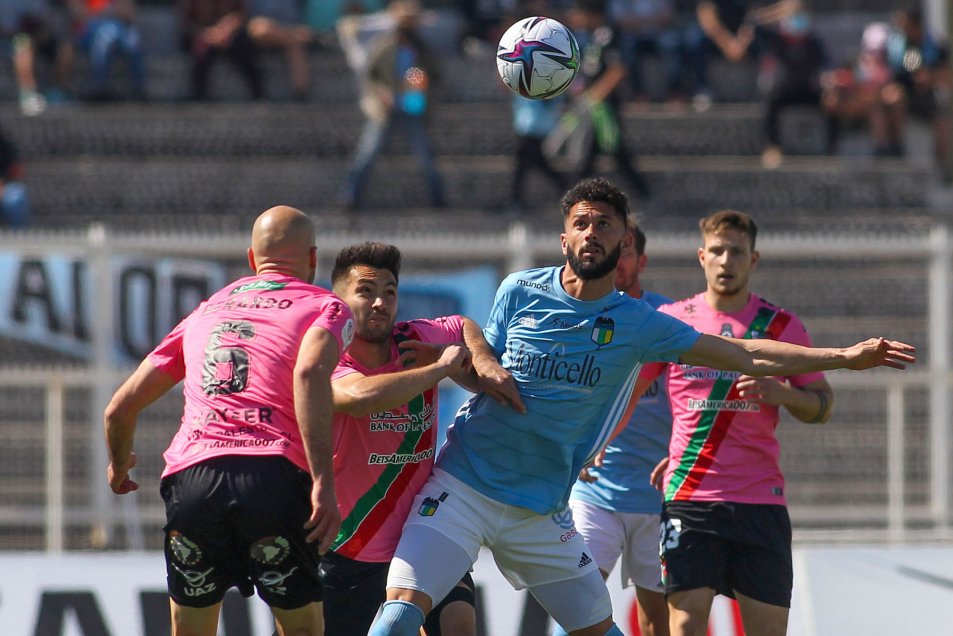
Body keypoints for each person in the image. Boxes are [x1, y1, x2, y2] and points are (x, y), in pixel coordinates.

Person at [366, 176, 915, 636]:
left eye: (604, 224)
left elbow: (744, 351)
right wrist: (479, 358)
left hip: (540, 511)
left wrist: (844, 356)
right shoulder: (519, 289)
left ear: (625, 241)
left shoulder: (639, 324)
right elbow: (479, 341)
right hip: (464, 488)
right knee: (397, 616)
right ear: (564, 239)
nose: (591, 233)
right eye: (581, 223)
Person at [102, 205, 354, 636]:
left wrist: (119, 462)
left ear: (252, 260)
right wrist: (323, 481)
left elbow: (119, 408)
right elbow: (310, 374)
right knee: (303, 630)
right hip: (272, 477)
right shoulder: (326, 307)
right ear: (313, 259)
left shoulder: (207, 310)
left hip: (193, 480)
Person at [640, 209, 835, 636]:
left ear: (754, 259)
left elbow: (823, 405)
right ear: (701, 256)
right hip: (690, 498)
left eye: (736, 252)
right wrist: (596, 442)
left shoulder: (781, 326)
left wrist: (783, 394)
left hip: (760, 501)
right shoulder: (673, 322)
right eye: (717, 250)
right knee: (686, 623)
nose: (726, 260)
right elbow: (630, 392)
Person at [322, 241, 523, 636]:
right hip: (353, 540)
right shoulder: (328, 359)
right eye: (366, 290)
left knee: (458, 624)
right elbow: (360, 398)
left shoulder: (414, 338)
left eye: (390, 292)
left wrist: (480, 359)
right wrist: (440, 368)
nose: (380, 302)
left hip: (426, 528)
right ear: (339, 300)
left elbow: (462, 325)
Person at [555, 218, 671, 636]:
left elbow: (687, 395)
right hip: (595, 488)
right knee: (580, 597)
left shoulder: (666, 318)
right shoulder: (582, 316)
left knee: (655, 614)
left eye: (625, 251)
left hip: (656, 494)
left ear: (640, 259)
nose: (617, 259)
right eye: (612, 249)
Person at [340, 0, 446, 211]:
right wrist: (382, 93)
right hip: (385, 110)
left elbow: (436, 77)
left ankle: (438, 199)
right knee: (367, 153)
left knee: (426, 157)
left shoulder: (423, 51)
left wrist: (424, 87)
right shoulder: (385, 46)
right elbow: (371, 76)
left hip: (413, 109)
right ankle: (350, 197)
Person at [568, 0, 651, 200]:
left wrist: (598, 93)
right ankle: (577, 197)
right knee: (597, 151)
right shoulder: (593, 37)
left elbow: (618, 69)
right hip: (594, 105)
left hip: (604, 107)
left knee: (611, 149)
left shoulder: (609, 35)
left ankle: (644, 193)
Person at [756, 2, 831, 168]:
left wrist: (828, 80)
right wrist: (781, 12)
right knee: (770, 103)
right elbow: (754, 25)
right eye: (794, 17)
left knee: (832, 102)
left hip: (808, 90)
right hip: (785, 91)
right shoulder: (776, 42)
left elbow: (826, 66)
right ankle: (772, 147)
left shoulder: (813, 43)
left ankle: (831, 148)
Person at [180, 0, 264, 101]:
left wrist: (225, 31)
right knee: (201, 51)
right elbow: (186, 22)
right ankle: (199, 95)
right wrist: (207, 34)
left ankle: (258, 93)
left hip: (229, 33)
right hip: (202, 33)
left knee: (243, 47)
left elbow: (241, 15)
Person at [1, 0, 74, 115]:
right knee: (23, 43)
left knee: (65, 46)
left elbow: (47, 22)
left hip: (39, 36)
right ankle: (28, 94)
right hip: (10, 39)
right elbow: (6, 27)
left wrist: (41, 34)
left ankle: (57, 92)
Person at [67, 0, 146, 101]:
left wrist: (101, 14)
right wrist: (109, 13)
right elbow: (77, 14)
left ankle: (137, 89)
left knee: (133, 41)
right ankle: (99, 88)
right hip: (89, 31)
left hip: (118, 28)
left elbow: (128, 13)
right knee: (103, 39)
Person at [247, 0, 315, 100]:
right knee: (264, 28)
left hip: (288, 31)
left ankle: (301, 91)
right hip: (259, 29)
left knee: (294, 44)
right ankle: (301, 90)